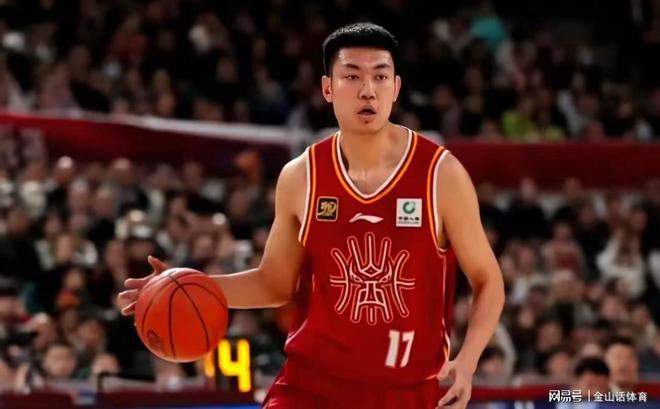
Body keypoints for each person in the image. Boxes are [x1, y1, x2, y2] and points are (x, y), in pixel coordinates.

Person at [119, 22, 505, 409]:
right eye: (352, 76)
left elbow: (488, 280)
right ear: (327, 88)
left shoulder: (440, 175)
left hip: (406, 392)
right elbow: (274, 283)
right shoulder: (302, 176)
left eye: (380, 77)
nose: (368, 90)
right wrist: (181, 287)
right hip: (310, 387)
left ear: (396, 88)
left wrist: (468, 361)